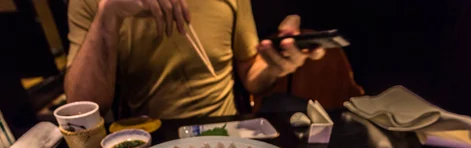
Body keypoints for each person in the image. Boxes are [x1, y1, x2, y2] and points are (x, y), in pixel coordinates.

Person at [65, 0, 325, 118]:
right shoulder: (90, 3)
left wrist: (274, 65)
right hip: (151, 138)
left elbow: (251, 77)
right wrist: (108, 14)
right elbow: (81, 108)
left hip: (225, 129)